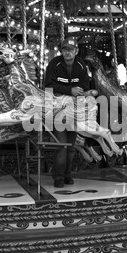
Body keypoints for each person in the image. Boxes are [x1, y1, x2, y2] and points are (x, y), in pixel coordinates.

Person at [44, 37, 91, 188]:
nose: (67, 53)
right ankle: (58, 176)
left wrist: (79, 92)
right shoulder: (54, 64)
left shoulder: (81, 65)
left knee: (71, 145)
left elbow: (85, 84)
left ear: (76, 51)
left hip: (74, 108)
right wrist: (69, 90)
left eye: (70, 50)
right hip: (58, 108)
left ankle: (67, 174)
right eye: (65, 50)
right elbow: (49, 85)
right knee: (62, 144)